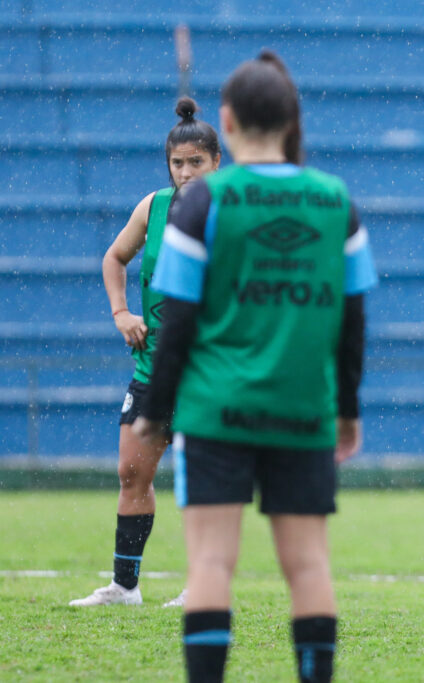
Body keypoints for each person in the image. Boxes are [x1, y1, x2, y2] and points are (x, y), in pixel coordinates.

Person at [132, 51, 377, 683]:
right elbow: (351, 325)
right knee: (308, 565)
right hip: (302, 408)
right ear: (292, 119)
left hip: (216, 410)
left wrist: (155, 409)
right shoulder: (335, 202)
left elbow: (177, 320)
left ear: (228, 122)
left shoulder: (203, 202)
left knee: (211, 563)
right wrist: (346, 409)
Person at [70, 97, 221, 608]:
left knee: (203, 484)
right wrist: (121, 314)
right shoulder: (152, 207)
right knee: (132, 474)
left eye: (195, 162)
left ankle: (202, 588)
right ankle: (124, 587)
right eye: (177, 163)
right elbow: (115, 258)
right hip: (151, 367)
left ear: (216, 163)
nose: (185, 172)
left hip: (208, 372)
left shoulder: (232, 212)